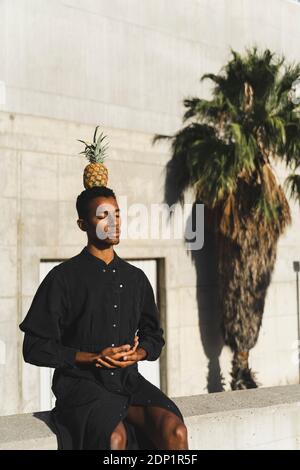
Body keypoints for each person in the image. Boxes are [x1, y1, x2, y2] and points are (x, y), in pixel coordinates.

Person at [19, 186, 188, 450]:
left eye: (117, 214)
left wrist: (139, 353)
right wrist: (91, 357)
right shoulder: (62, 278)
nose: (114, 223)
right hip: (80, 386)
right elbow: (34, 348)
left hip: (127, 381)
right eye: (102, 216)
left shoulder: (136, 278)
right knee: (114, 439)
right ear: (83, 224)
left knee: (175, 431)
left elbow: (154, 336)